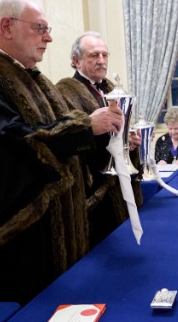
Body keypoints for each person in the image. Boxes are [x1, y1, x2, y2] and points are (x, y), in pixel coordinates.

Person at [0, 0, 122, 303]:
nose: (48, 38)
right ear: (6, 27)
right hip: (11, 239)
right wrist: (84, 128)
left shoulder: (32, 78)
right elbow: (7, 142)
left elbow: (59, 142)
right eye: (40, 28)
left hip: (51, 230)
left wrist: (100, 134)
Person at [56, 32, 142, 249]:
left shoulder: (111, 88)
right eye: (94, 55)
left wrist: (130, 142)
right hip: (94, 190)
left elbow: (119, 131)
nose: (101, 60)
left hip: (120, 184)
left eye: (105, 54)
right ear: (76, 61)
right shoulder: (64, 93)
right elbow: (69, 144)